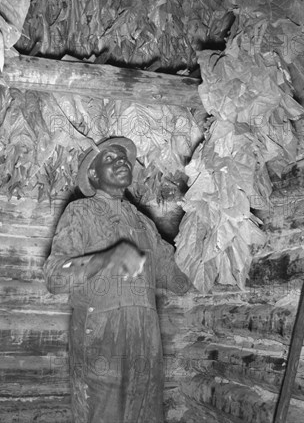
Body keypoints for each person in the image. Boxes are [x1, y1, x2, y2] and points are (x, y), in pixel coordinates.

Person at [43, 137, 192, 423]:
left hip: (145, 343)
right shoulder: (80, 213)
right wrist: (108, 257)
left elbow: (177, 280)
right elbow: (55, 277)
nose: (121, 161)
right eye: (110, 159)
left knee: (147, 415)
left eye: (123, 158)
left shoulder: (143, 223)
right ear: (94, 175)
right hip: (101, 338)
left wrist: (205, 248)